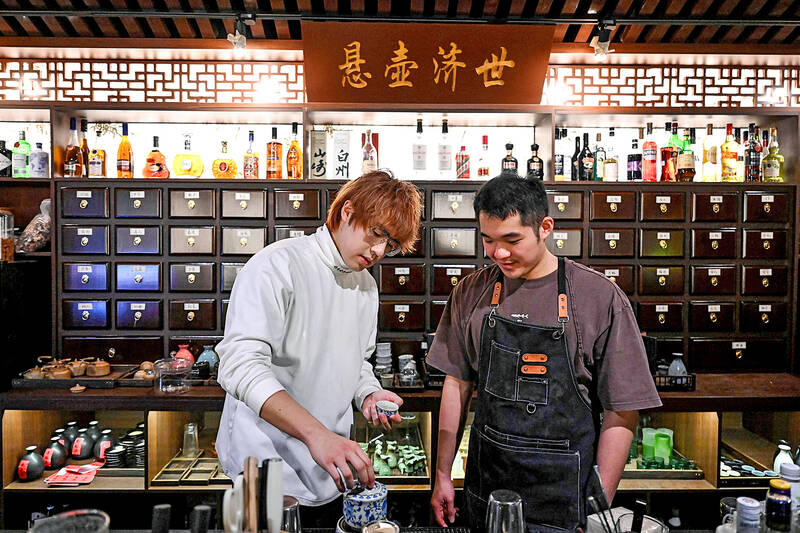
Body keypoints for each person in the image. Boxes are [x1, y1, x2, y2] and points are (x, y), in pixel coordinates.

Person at [428, 175, 661, 532]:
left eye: (512, 239)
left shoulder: (598, 297)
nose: (498, 253)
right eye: (488, 240)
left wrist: (598, 505)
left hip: (567, 501)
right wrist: (443, 473)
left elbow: (622, 411)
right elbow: (457, 383)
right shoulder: (471, 292)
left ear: (545, 227)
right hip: (488, 488)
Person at [216, 170, 423, 514]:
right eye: (377, 233)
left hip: (330, 468)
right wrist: (316, 434)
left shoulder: (366, 287)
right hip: (265, 468)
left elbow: (356, 362)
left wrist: (367, 392)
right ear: (347, 211)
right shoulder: (277, 264)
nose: (379, 251)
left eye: (390, 244)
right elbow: (239, 365)